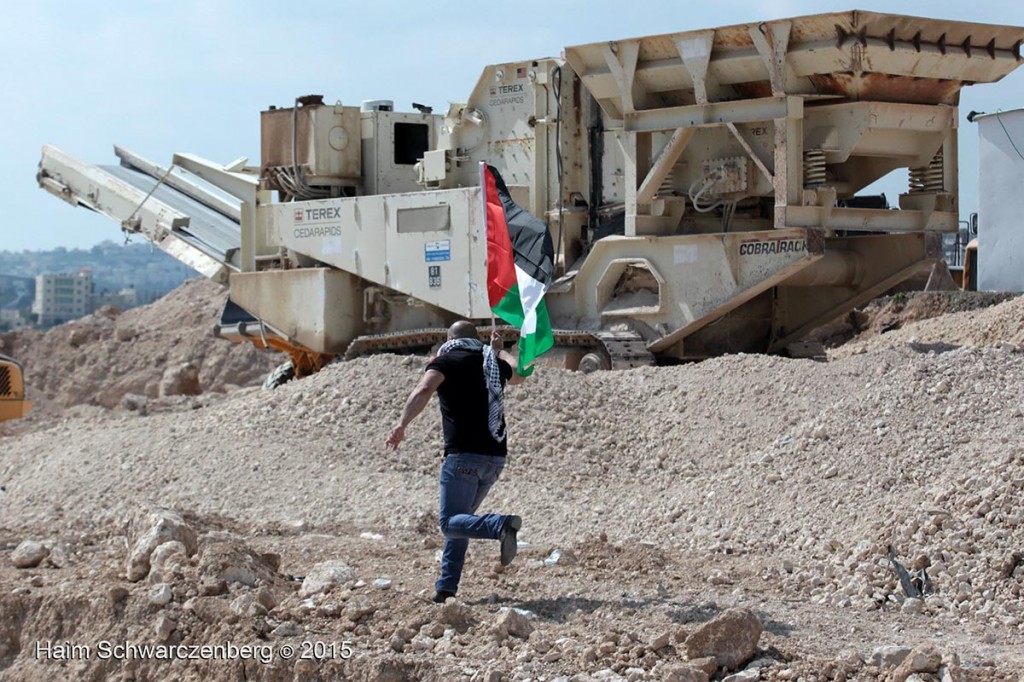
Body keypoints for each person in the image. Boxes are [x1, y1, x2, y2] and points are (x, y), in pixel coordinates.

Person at [386, 320, 526, 603]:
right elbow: (520, 375)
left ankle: (499, 525)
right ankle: (446, 588)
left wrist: (402, 424)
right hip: (495, 459)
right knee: (461, 523)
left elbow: (424, 390)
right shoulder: (492, 364)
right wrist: (499, 351)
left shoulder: (446, 361)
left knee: (450, 523)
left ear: (449, 339)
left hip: (463, 456)